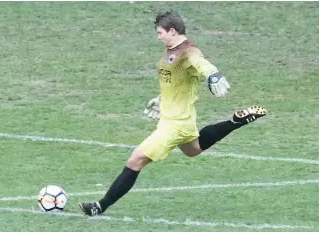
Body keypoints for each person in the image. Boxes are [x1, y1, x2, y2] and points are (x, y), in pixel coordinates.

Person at [79, 11, 267, 216]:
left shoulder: (188, 52)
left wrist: (214, 75)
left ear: (172, 30)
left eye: (160, 32)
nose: (158, 36)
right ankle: (234, 121)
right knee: (193, 149)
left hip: (174, 125)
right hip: (183, 120)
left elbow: (202, 64)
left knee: (136, 160)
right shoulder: (171, 51)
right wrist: (161, 99)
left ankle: (100, 206)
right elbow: (176, 82)